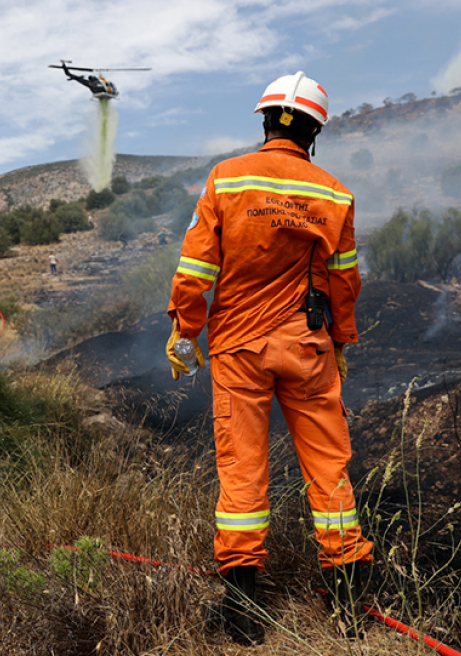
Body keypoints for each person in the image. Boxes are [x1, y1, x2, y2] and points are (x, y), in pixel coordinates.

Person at [165, 71, 372, 645]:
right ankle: (350, 605)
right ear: (314, 130)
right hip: (308, 349)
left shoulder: (226, 180)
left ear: (264, 121)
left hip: (237, 350)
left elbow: (195, 272)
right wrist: (341, 342)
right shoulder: (333, 193)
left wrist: (186, 334)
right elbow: (344, 281)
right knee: (329, 469)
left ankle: (241, 612)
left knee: (243, 475)